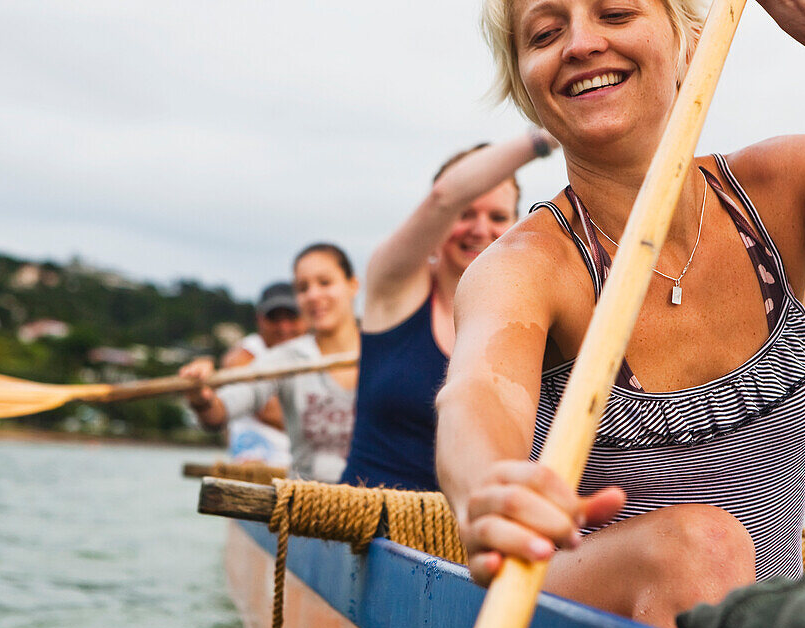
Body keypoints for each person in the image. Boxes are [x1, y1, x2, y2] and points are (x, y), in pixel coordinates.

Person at [436, 0, 805, 628]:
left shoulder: (779, 190)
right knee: (704, 546)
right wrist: (487, 491)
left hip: (768, 622)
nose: (580, 44)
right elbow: (478, 392)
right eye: (546, 34)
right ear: (528, 87)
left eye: (614, 13)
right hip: (585, 622)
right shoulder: (528, 264)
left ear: (690, 42)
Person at [340, 131, 558, 492]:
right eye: (466, 212)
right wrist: (550, 136)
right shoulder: (393, 286)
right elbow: (444, 196)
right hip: (369, 525)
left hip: (471, 534)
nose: (480, 229)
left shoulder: (532, 309)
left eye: (498, 216)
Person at [183, 244, 360, 483]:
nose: (313, 295)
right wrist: (202, 399)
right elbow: (221, 410)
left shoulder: (383, 351)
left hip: (380, 504)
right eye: (303, 288)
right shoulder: (286, 358)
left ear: (352, 285)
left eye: (325, 282)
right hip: (308, 505)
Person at [220, 281, 306, 467]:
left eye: (291, 318)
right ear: (260, 320)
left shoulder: (312, 354)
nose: (284, 327)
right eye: (274, 318)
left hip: (302, 471)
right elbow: (269, 411)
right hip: (260, 465)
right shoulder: (244, 355)